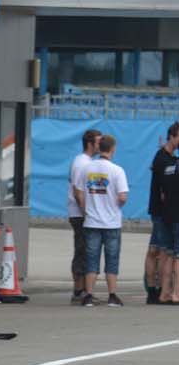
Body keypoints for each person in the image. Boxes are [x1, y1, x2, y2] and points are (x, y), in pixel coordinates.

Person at [74, 132, 129, 307]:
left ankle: (88, 294)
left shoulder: (86, 168)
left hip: (91, 221)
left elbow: (79, 193)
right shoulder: (117, 170)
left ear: (100, 148)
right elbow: (122, 197)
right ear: (112, 149)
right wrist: (115, 205)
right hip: (111, 222)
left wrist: (86, 209)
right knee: (112, 258)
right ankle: (112, 295)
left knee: (91, 258)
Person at [145, 123, 179, 304]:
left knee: (163, 252)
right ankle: (153, 290)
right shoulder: (162, 158)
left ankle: (160, 290)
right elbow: (163, 191)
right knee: (157, 251)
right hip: (161, 212)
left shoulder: (171, 159)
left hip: (166, 212)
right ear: (172, 136)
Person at [67, 128, 99, 304]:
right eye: (98, 141)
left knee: (84, 249)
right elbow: (78, 191)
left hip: (80, 213)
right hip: (80, 214)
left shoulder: (83, 162)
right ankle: (79, 290)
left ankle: (82, 289)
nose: (100, 145)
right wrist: (88, 213)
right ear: (90, 143)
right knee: (82, 250)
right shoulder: (82, 164)